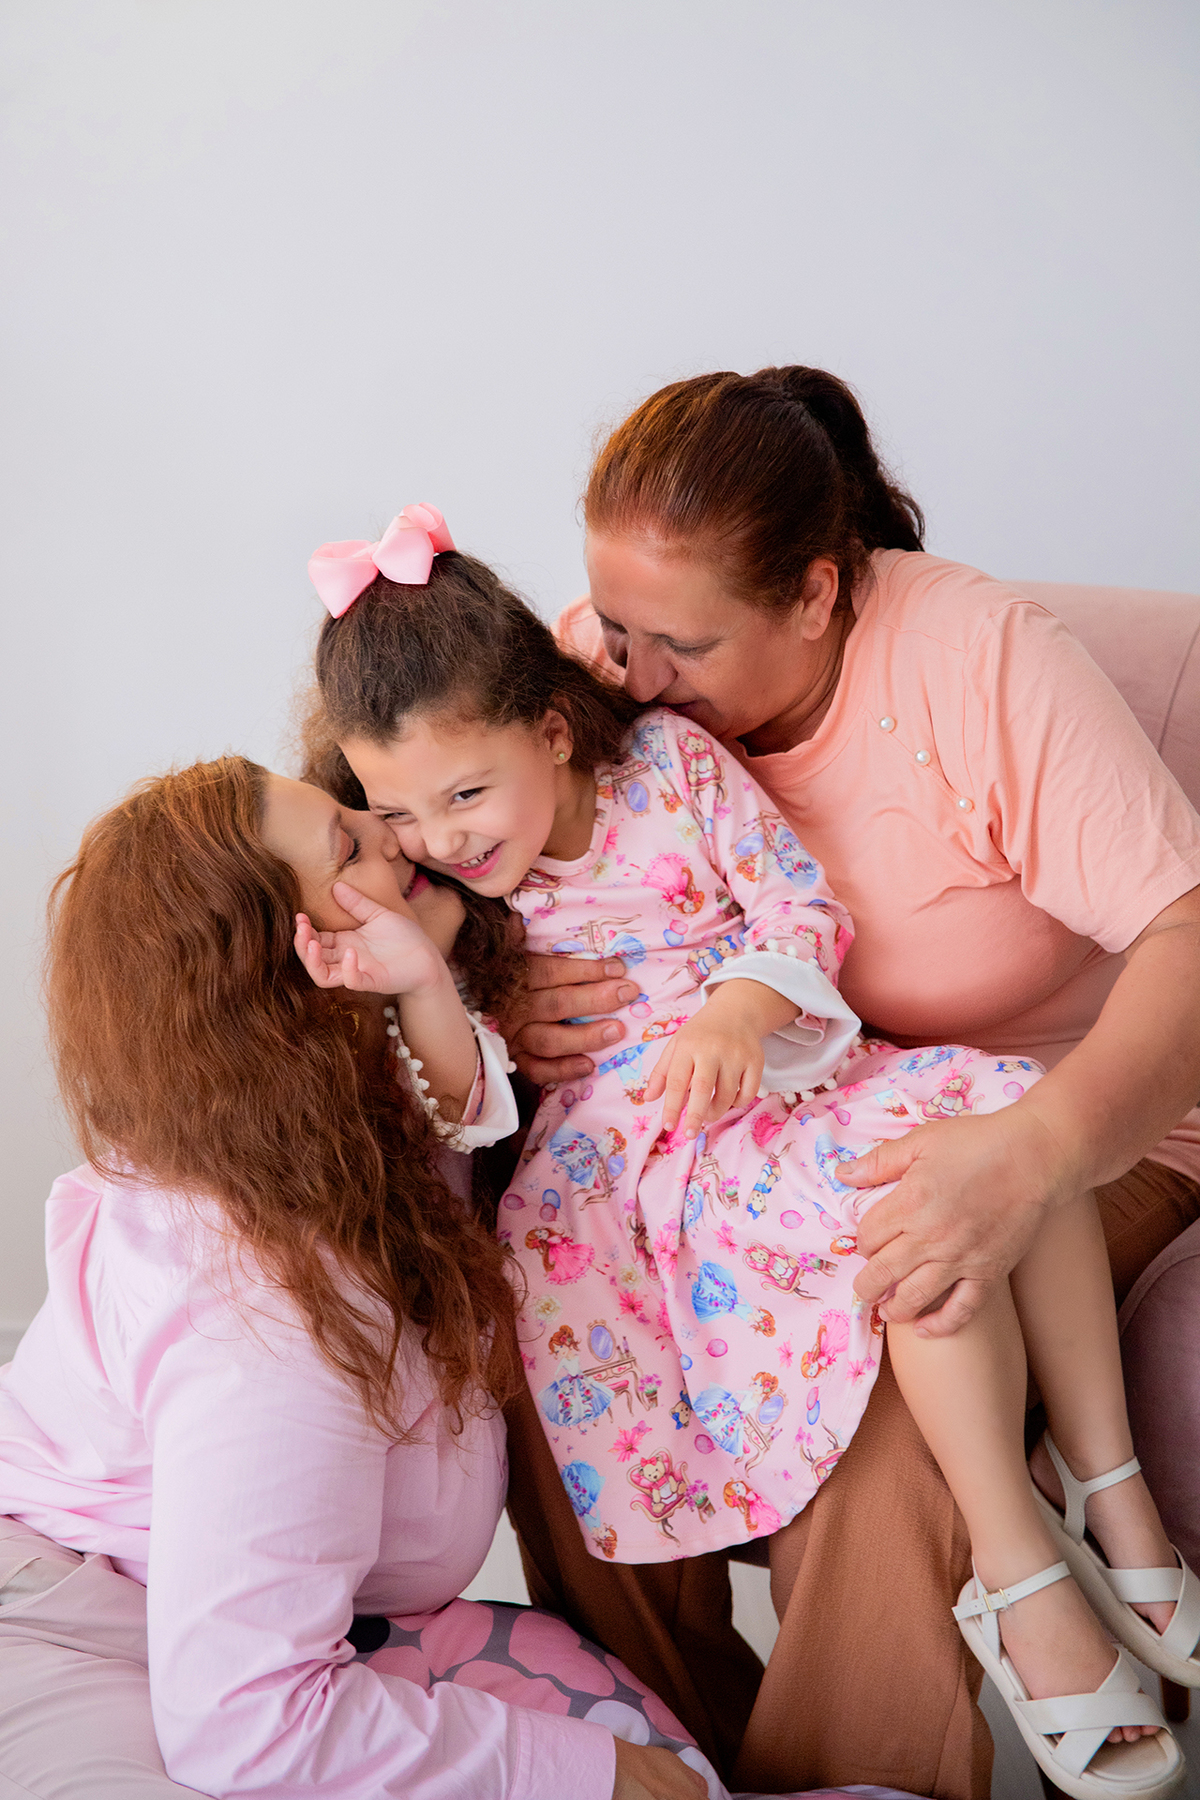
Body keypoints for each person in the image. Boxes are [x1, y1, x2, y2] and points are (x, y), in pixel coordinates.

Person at [304, 511, 1195, 1800]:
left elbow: (793, 905)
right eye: (399, 813)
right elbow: (433, 1042)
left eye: (461, 799)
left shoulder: (670, 765)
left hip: (773, 1106)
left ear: (551, 731)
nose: (439, 837)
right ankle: (686, 1753)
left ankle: (1057, 1553)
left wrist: (742, 1004)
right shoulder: (461, 881)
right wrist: (469, 991)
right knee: (570, 1390)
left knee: (965, 1167)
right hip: (615, 1181)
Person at [0, 753, 718, 1800]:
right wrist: (607, 1780)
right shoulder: (265, 1307)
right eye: (349, 845)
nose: (394, 834)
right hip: (68, 1629)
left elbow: (459, 1109)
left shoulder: (349, 1131)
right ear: (292, 968)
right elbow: (244, 1730)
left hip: (210, 1621)